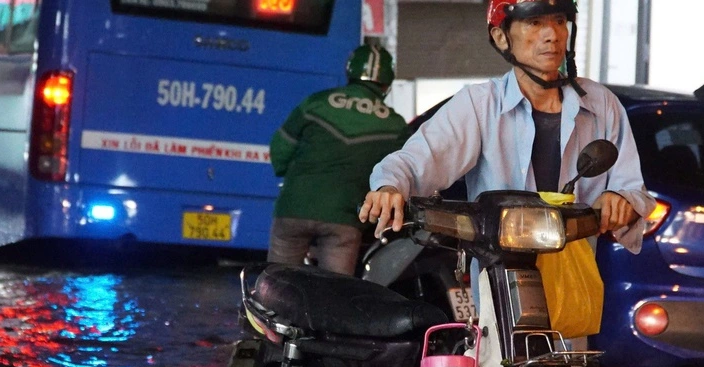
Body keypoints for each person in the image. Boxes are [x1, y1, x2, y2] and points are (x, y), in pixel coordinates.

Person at [359, 0, 653, 249]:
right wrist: (389, 186)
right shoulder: (479, 105)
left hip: (577, 282)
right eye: (534, 23)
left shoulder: (601, 104)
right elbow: (415, 162)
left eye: (560, 20)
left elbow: (633, 190)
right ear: (501, 37)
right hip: (501, 283)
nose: (552, 34)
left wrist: (620, 199)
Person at [267, 43, 409, 275]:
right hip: (344, 218)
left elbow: (280, 149)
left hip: (295, 208)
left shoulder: (316, 103)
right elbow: (403, 170)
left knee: (277, 284)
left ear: (349, 71)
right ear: (387, 83)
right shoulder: (395, 126)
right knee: (335, 293)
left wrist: (292, 179)